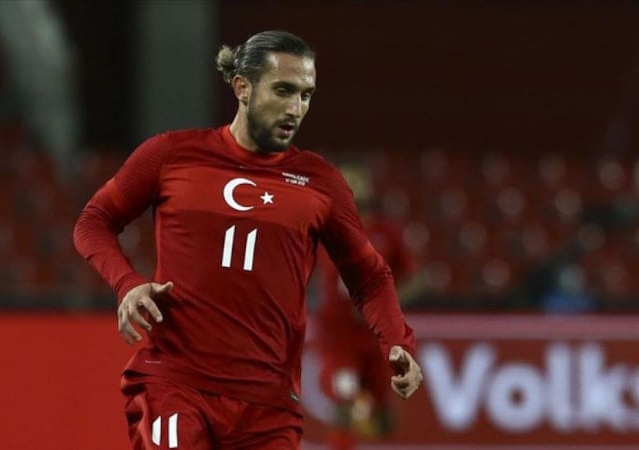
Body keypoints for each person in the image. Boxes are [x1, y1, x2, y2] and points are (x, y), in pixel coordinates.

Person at [73, 30, 422, 450]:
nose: (295, 108)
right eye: (283, 90)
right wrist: (127, 283)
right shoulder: (171, 155)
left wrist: (397, 342)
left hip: (268, 405)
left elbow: (369, 277)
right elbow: (93, 221)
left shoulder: (320, 183)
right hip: (177, 385)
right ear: (242, 87)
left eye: (306, 95)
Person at [312, 162, 425, 449]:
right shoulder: (323, 227)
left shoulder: (386, 233)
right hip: (339, 334)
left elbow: (416, 279)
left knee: (385, 418)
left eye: (356, 182)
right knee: (345, 397)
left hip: (376, 336)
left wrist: (383, 303)